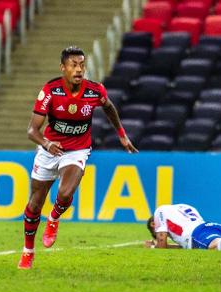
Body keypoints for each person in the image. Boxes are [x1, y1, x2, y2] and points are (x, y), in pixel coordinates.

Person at [18, 46, 138, 269]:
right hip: (48, 150)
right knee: (35, 204)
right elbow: (31, 131)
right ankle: (28, 251)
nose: (79, 69)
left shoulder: (94, 91)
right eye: (73, 65)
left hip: (77, 150)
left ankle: (53, 218)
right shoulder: (51, 90)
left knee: (65, 192)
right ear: (63, 67)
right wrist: (46, 143)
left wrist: (122, 135)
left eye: (82, 65)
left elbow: (110, 108)